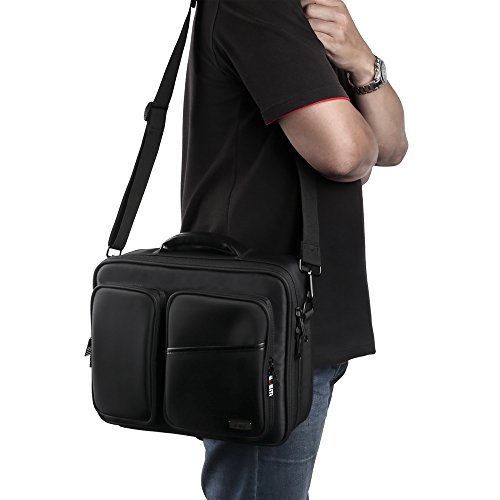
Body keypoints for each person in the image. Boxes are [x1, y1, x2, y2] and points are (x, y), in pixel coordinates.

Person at [180, 0, 408, 498]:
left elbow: (391, 147)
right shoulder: (255, 5)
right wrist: (356, 147)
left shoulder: (307, 14)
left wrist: (362, 61)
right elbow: (345, 155)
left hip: (300, 321)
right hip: (263, 329)